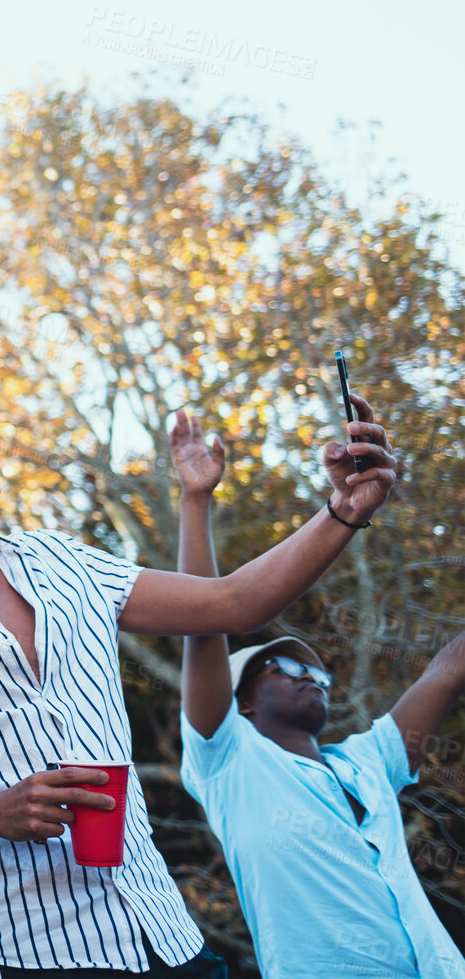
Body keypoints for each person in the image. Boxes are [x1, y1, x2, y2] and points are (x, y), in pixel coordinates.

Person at [0, 348, 396, 978]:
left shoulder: (62, 561)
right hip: (33, 958)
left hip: (169, 942)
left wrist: (346, 509)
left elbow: (234, 602)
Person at [172, 409, 465, 979]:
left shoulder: (365, 763)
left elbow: (448, 669)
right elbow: (203, 626)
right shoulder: (230, 761)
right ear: (242, 704)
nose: (312, 677)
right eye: (284, 666)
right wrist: (195, 502)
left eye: (321, 676)